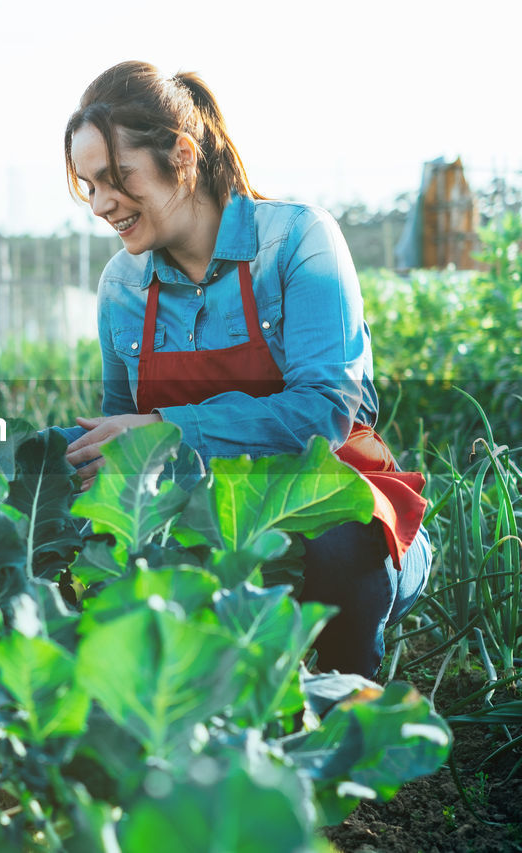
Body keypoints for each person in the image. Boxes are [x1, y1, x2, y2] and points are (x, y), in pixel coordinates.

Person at [61, 61, 431, 680]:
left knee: (340, 544)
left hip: (340, 516)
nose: (100, 204)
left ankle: (348, 725)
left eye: (115, 178)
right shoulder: (122, 286)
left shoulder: (295, 241)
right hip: (203, 524)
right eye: (88, 185)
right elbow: (119, 438)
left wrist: (168, 431)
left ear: (181, 155)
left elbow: (325, 412)